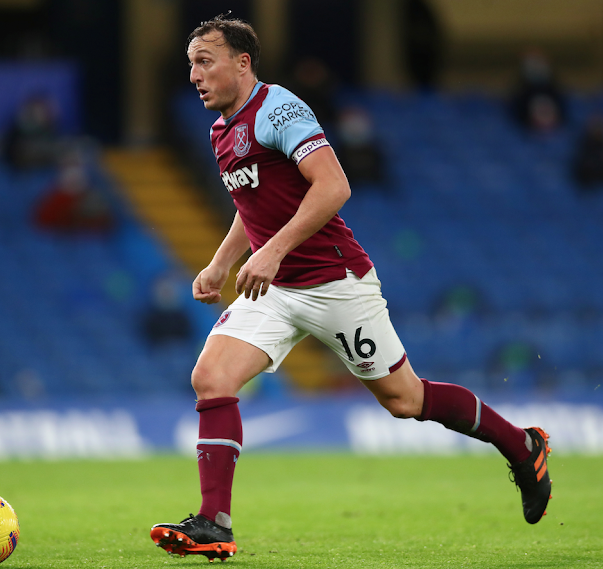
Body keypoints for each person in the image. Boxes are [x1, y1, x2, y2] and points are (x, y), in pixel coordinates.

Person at [149, 15, 552, 562]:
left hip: (336, 281)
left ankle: (522, 446)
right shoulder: (222, 130)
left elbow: (334, 185)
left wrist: (272, 250)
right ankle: (214, 523)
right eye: (191, 63)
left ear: (242, 63)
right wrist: (222, 262)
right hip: (277, 290)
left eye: (205, 61)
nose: (194, 74)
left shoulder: (279, 109)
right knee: (211, 377)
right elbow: (254, 204)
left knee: (405, 400)